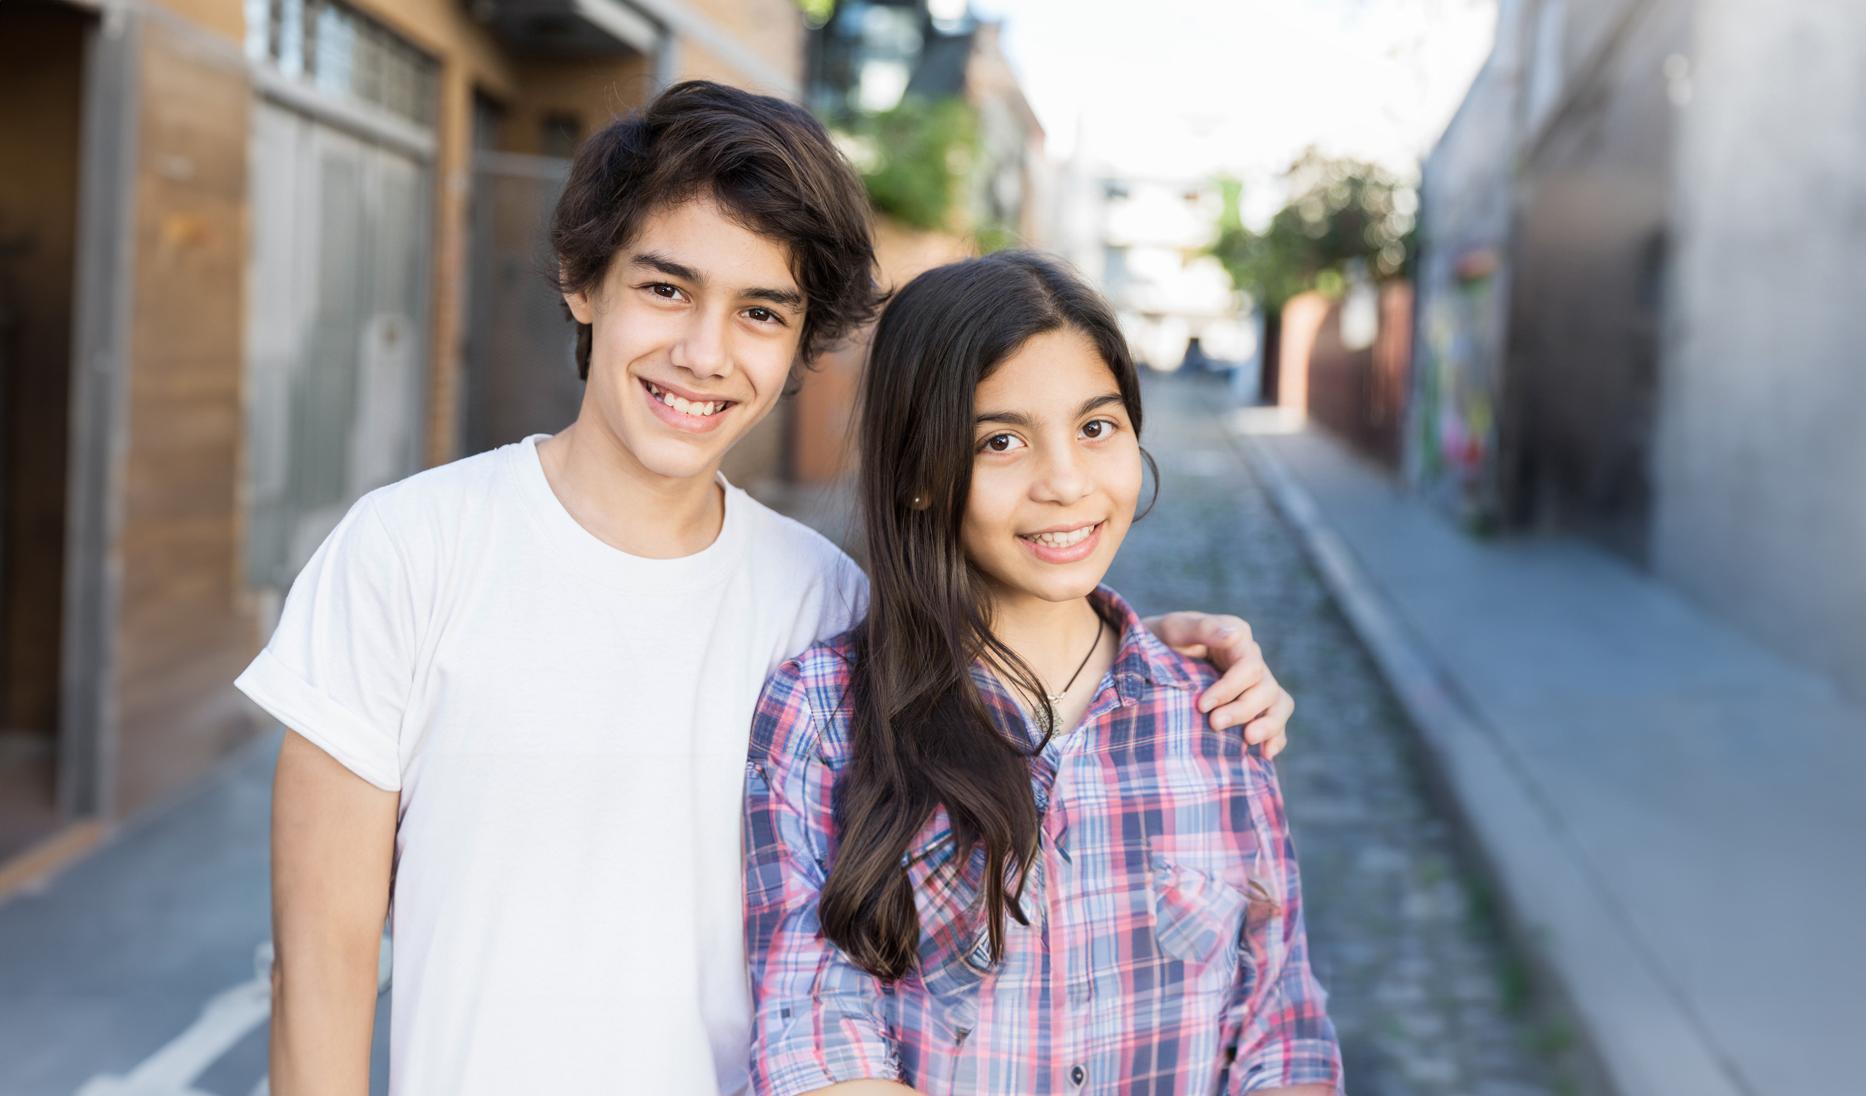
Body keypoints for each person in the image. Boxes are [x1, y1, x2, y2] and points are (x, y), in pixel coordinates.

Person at [241, 83, 1296, 1096]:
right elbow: (320, 967)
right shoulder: (410, 551)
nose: (704, 354)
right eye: (666, 289)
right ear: (582, 279)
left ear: (800, 342)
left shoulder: (824, 603)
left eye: (759, 312)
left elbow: (1030, 682)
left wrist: (1161, 656)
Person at [744, 251, 1342, 1095]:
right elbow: (816, 1042)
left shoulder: (1219, 711)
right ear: (919, 474)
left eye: (1097, 427)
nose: (1064, 483)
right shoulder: (822, 714)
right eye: (1002, 441)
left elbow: (1282, 1030)